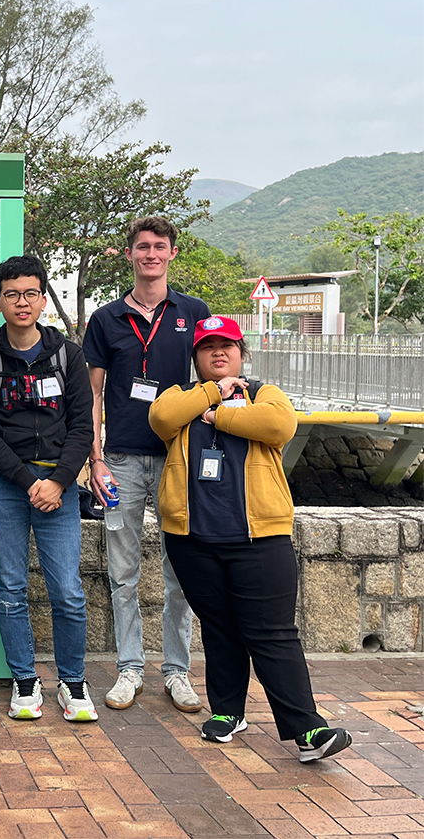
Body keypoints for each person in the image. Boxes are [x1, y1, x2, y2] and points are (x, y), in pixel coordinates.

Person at [149, 317, 352, 762]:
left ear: (242, 353)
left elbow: (279, 426)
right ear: (196, 357)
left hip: (260, 538)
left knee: (272, 633)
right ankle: (227, 711)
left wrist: (218, 415)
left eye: (227, 346)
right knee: (219, 627)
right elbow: (161, 418)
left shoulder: (264, 394)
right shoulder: (182, 397)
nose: (218, 353)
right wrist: (211, 393)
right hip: (192, 538)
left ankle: (308, 729)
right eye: (208, 347)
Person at [82, 215, 210, 714]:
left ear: (172, 253)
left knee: (183, 570)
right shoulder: (106, 319)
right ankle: (130, 668)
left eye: (159, 246)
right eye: (142, 247)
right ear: (130, 254)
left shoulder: (193, 313)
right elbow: (93, 394)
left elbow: (212, 378)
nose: (151, 254)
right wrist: (95, 459)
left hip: (178, 459)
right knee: (123, 572)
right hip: (120, 462)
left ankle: (177, 671)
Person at [0, 256, 97, 723]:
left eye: (31, 294)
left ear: (42, 300)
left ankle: (73, 681)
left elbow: (83, 425)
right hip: (5, 485)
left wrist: (57, 482)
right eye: (12, 294)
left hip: (59, 487)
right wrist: (29, 482)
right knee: (10, 587)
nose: (22, 302)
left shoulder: (68, 355)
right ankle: (24, 679)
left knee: (68, 590)